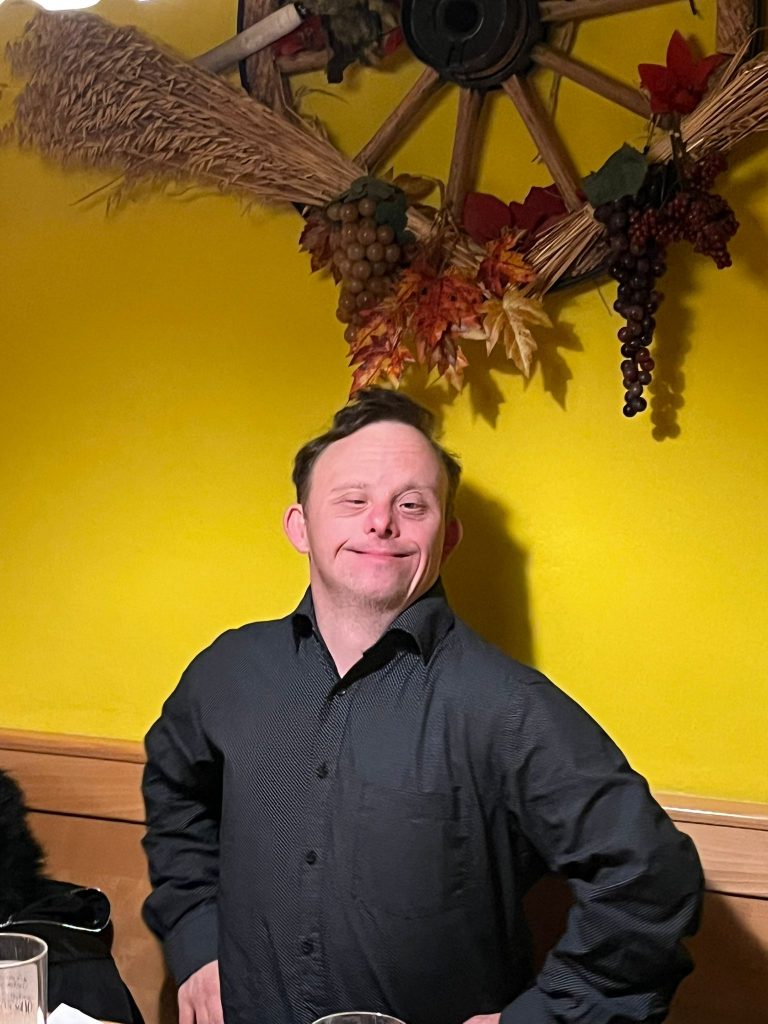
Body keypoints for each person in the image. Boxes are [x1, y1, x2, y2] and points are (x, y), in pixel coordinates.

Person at [142, 388, 703, 1024]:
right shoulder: (228, 672)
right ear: (299, 526)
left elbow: (651, 882)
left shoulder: (509, 708)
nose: (381, 523)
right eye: (353, 500)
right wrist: (195, 935)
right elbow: (174, 793)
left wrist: (542, 1019)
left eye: (411, 504)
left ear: (449, 535)